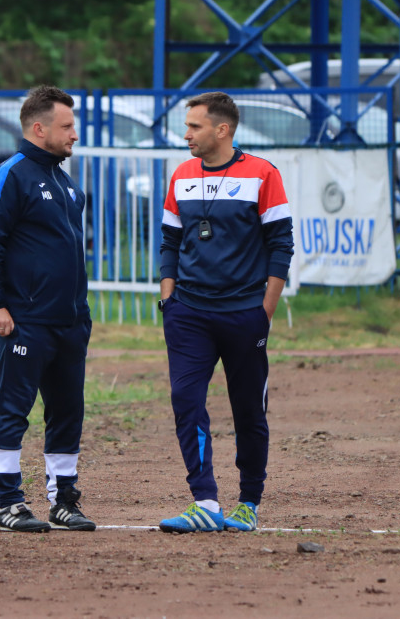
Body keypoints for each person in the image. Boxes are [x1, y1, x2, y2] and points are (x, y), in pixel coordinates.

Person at [157, 91, 294, 534]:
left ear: (223, 129)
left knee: (249, 410)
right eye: (187, 126)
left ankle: (248, 502)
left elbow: (281, 245)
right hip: (189, 314)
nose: (187, 134)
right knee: (186, 402)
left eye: (194, 126)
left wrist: (264, 312)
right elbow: (170, 243)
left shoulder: (262, 174)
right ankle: (205, 501)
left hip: (244, 315)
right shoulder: (181, 175)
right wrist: (168, 298)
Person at [0, 85, 96, 533]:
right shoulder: (11, 174)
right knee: (13, 409)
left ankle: (64, 500)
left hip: (69, 322)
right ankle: (7, 501)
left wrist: (80, 314)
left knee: (67, 412)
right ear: (38, 128)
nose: (74, 135)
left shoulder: (63, 180)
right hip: (25, 321)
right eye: (66, 126)